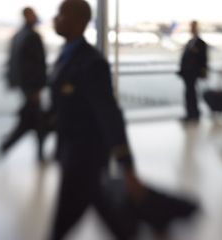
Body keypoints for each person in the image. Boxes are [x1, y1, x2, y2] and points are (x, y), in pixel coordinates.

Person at [47, 1, 144, 239]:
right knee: (105, 209)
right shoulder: (65, 56)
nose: (55, 18)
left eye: (61, 14)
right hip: (71, 153)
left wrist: (127, 165)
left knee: (61, 226)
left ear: (78, 22)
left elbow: (109, 114)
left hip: (84, 158)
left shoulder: (92, 62)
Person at [0, 7, 46, 162]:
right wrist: (37, 87)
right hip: (31, 87)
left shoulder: (19, 36)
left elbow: (13, 63)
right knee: (31, 121)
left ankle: (38, 153)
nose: (36, 17)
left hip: (24, 86)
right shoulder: (31, 36)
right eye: (33, 14)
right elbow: (35, 65)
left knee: (34, 120)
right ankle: (6, 147)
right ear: (28, 16)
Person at [177, 20, 208, 122]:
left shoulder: (200, 43)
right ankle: (191, 113)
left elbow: (203, 59)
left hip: (193, 73)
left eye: (193, 27)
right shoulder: (190, 42)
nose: (192, 29)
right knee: (188, 94)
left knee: (191, 94)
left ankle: (193, 114)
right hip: (187, 73)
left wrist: (203, 73)